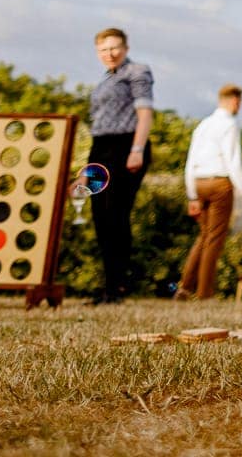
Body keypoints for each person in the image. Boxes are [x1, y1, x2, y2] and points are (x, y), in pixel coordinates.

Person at [88, 27, 154, 303]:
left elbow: (145, 113)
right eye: (104, 49)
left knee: (115, 214)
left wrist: (137, 149)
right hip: (100, 148)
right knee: (100, 215)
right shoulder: (105, 79)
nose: (110, 53)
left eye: (114, 47)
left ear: (125, 48)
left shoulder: (137, 72)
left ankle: (118, 285)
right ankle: (109, 282)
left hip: (125, 146)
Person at [176, 84, 242, 300]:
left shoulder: (203, 125)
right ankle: (204, 293)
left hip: (199, 183)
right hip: (219, 184)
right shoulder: (230, 125)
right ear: (235, 101)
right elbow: (232, 161)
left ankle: (185, 287)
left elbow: (190, 161)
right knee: (214, 239)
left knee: (204, 236)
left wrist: (192, 195)